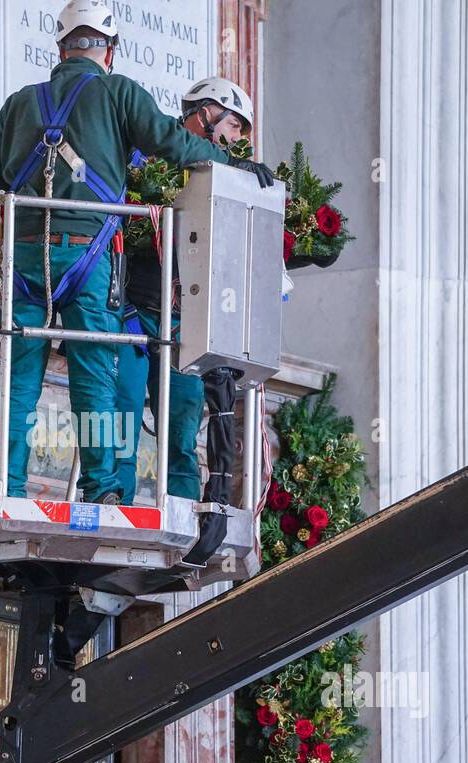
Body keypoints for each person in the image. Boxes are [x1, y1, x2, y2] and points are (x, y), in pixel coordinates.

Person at [0, 1, 274, 505]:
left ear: (61, 46)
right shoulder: (118, 92)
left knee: (19, 373)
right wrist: (234, 166)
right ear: (109, 50)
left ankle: (9, 485)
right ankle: (102, 489)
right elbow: (174, 145)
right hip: (87, 259)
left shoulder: (19, 104)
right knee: (93, 376)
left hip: (24, 261)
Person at [115, 76, 259, 505]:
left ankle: (182, 518)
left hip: (184, 322)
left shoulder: (226, 178)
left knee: (181, 434)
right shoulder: (146, 155)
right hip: (132, 311)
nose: (235, 139)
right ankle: (113, 504)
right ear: (207, 112)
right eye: (233, 126)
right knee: (118, 423)